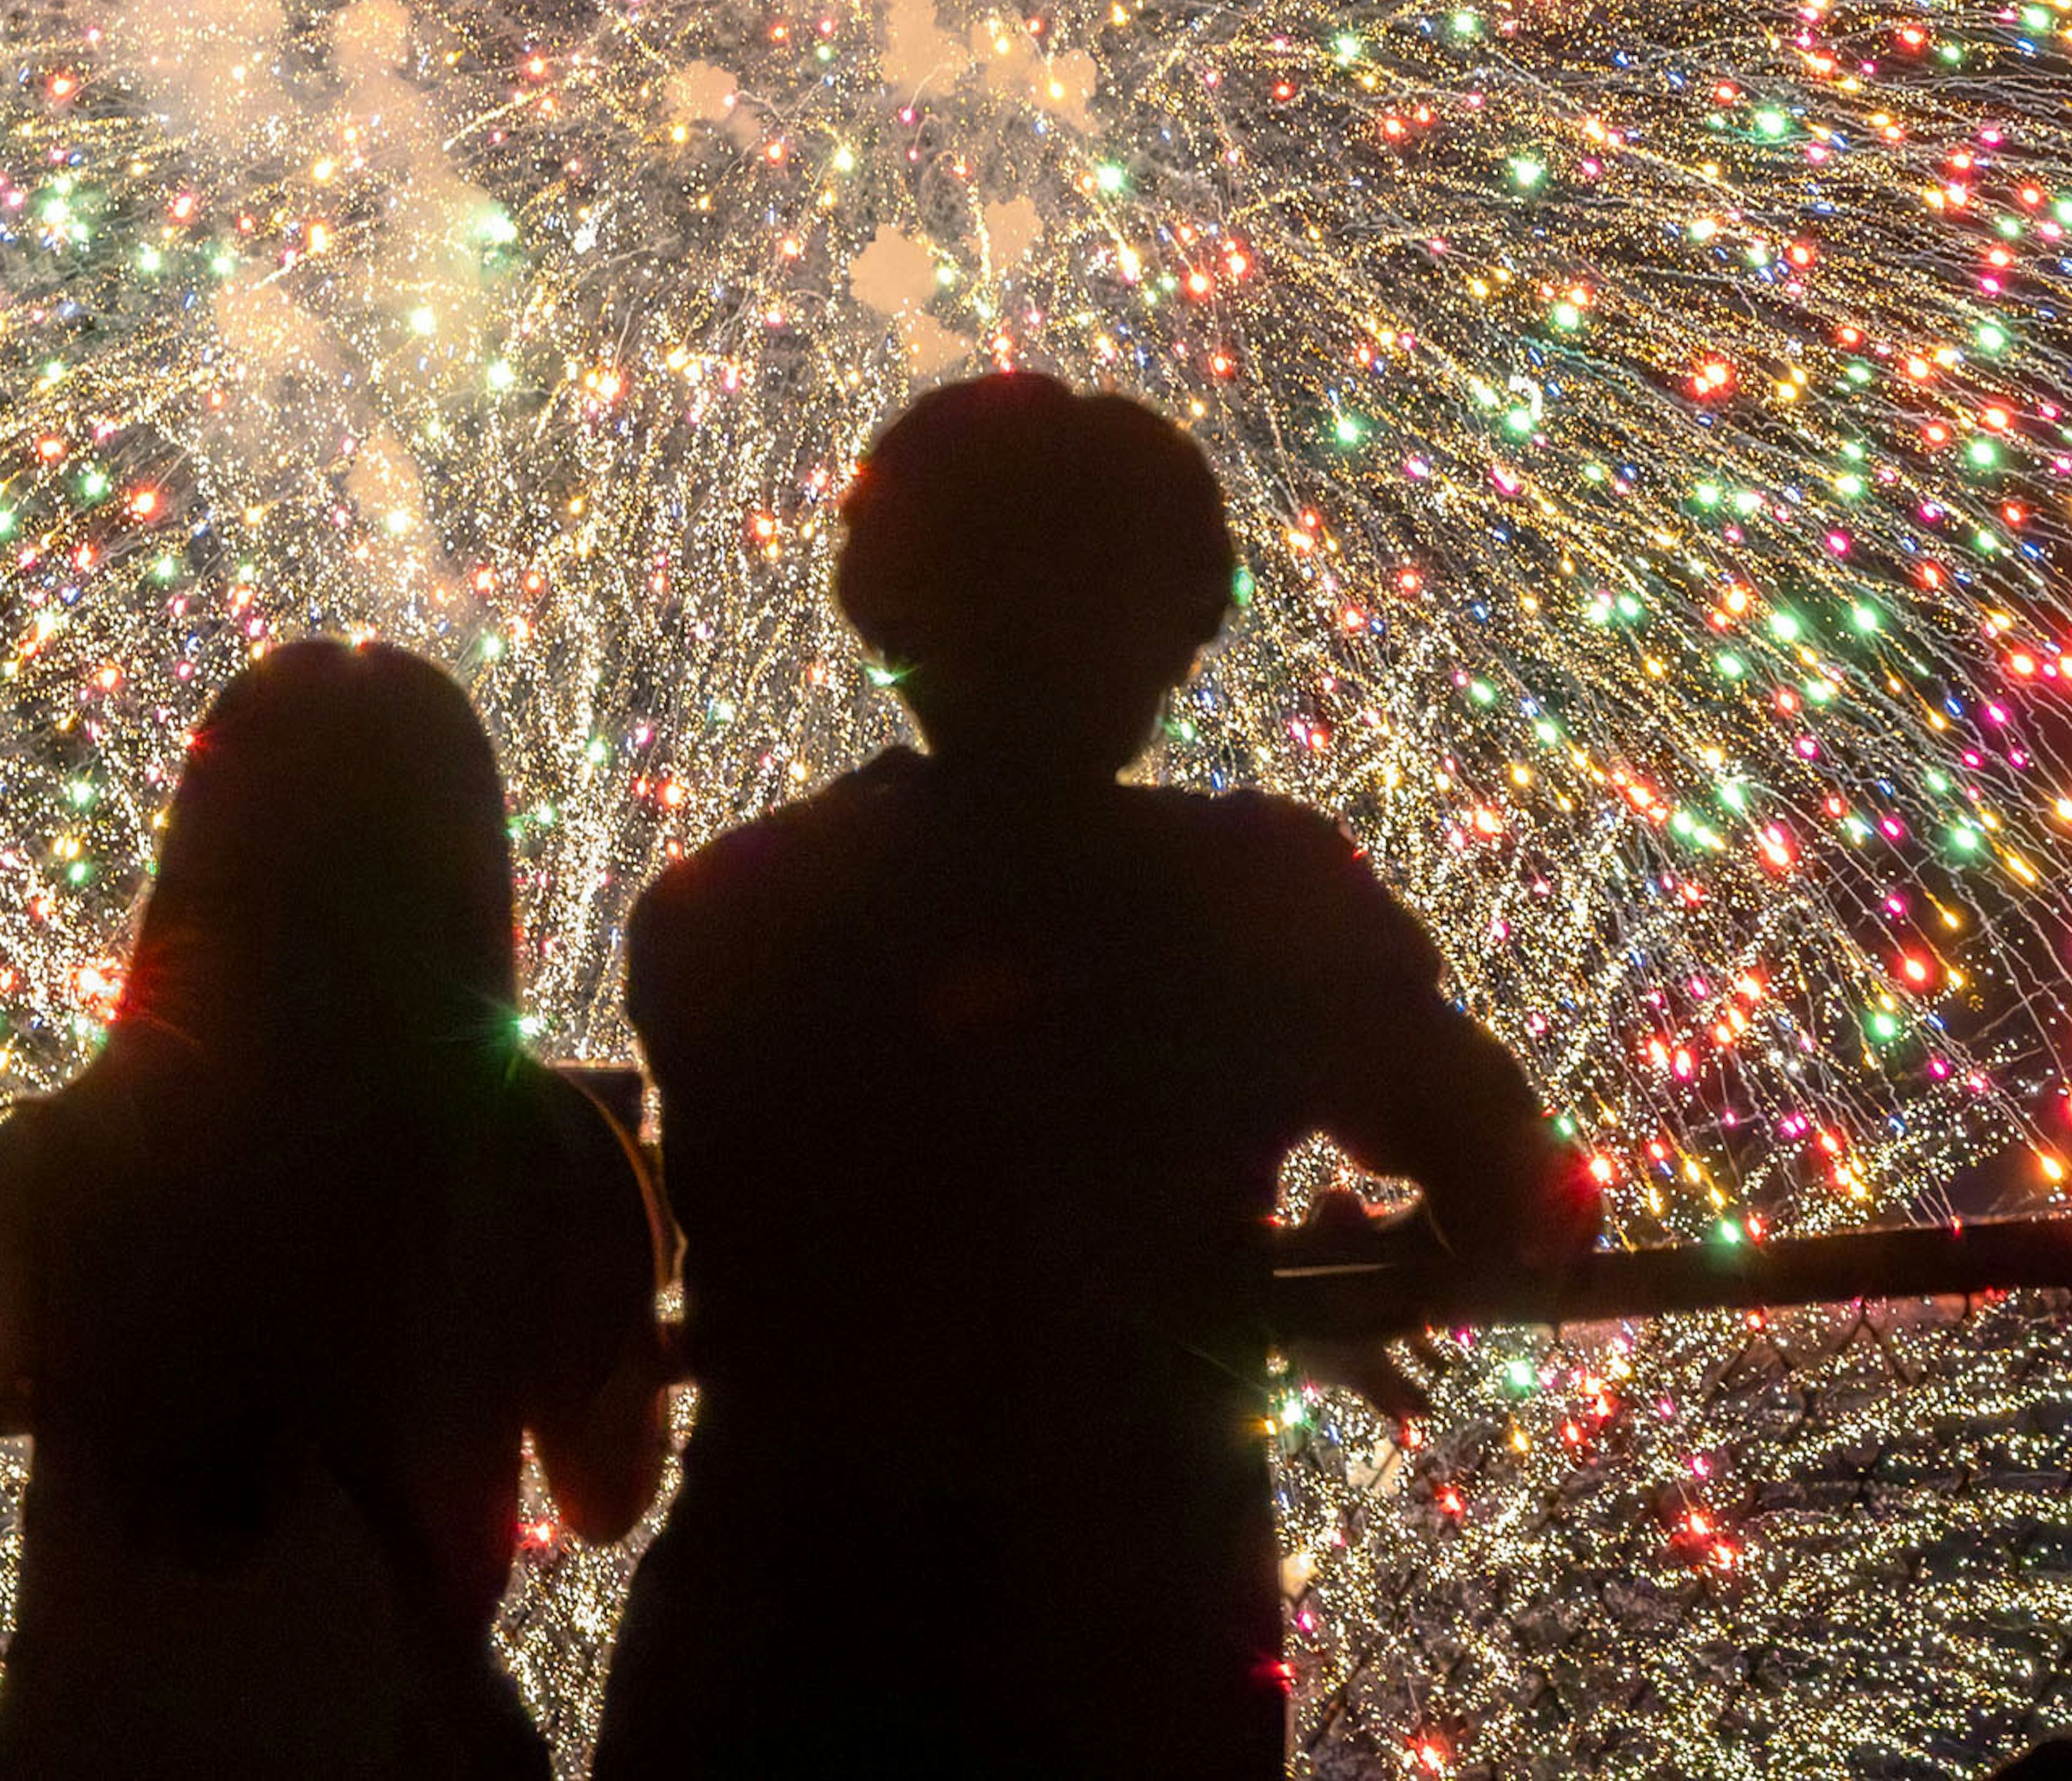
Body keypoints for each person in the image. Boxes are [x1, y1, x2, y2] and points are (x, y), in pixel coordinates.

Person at [592, 370, 1595, 1781]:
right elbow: (1529, 1191)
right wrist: (1340, 1280)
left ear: (891, 613)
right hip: (1132, 1667)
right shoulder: (1257, 900)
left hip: (768, 1660)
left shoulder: (718, 913)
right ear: (1168, 626)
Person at [0, 633, 666, 1781]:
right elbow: (604, 1497)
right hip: (391, 1740)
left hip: (85, 1741)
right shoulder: (538, 1152)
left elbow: (28, 1392)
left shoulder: (50, 1158)